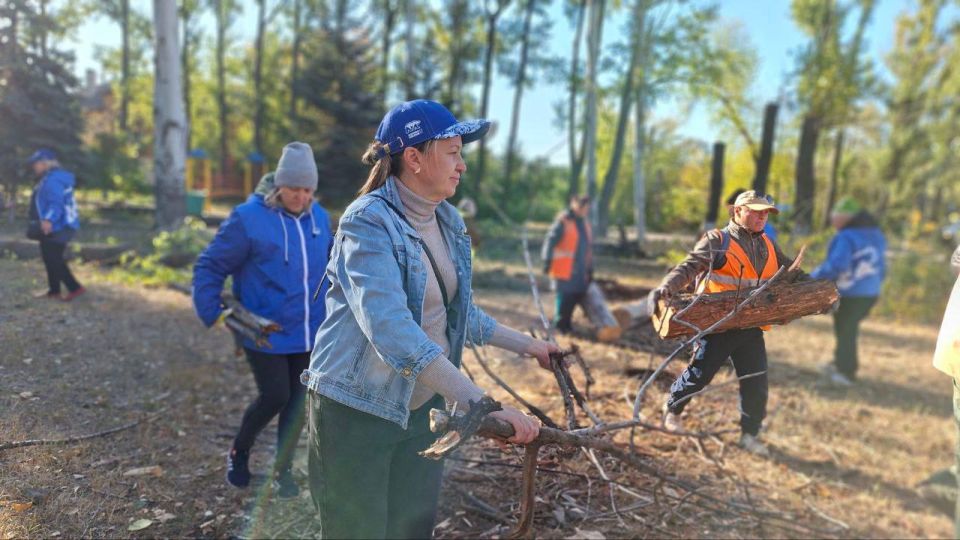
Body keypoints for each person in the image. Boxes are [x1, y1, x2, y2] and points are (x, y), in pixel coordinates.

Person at [301, 99, 558, 539]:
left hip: (423, 411)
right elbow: (392, 329)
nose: (462, 165)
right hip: (356, 410)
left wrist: (529, 345)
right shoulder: (368, 222)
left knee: (411, 530)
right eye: (452, 152)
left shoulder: (448, 220)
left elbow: (456, 313)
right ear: (414, 158)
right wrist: (479, 405)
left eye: (462, 153)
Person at [192, 142, 333, 498]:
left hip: (309, 331)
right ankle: (239, 451)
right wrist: (211, 310)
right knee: (274, 396)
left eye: (307, 189)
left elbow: (333, 268)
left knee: (298, 404)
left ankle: (282, 470)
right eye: (294, 188)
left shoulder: (320, 219)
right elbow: (210, 265)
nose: (300, 196)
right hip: (264, 330)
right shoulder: (248, 219)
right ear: (278, 185)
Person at [649, 190, 805, 456]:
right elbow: (689, 266)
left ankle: (749, 434)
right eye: (755, 211)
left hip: (751, 326)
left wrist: (824, 291)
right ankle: (672, 410)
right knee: (699, 375)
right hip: (717, 326)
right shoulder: (717, 240)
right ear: (737, 211)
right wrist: (666, 287)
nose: (761, 216)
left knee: (756, 381)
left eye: (765, 212)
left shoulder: (767, 244)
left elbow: (791, 273)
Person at [811, 196, 886, 387]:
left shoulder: (846, 236)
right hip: (870, 292)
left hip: (851, 293)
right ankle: (839, 363)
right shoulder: (876, 235)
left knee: (846, 329)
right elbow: (883, 266)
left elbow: (837, 264)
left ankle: (846, 372)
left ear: (845, 217)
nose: (832, 220)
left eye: (834, 216)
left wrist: (812, 277)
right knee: (845, 327)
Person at [27, 149, 84, 301]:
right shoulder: (52, 178)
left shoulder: (53, 180)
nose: (34, 166)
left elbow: (56, 204)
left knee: (54, 259)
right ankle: (54, 291)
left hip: (58, 226)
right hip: (59, 225)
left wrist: (48, 220)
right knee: (49, 257)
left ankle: (75, 288)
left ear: (45, 163)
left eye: (36, 163)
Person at [541, 195, 594, 334]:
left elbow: (588, 248)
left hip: (580, 269)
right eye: (582, 207)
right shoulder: (563, 222)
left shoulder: (585, 223)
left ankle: (567, 323)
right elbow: (550, 241)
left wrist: (590, 269)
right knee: (565, 297)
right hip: (564, 268)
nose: (585, 210)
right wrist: (547, 260)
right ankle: (560, 325)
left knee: (575, 296)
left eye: (587, 208)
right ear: (575, 205)